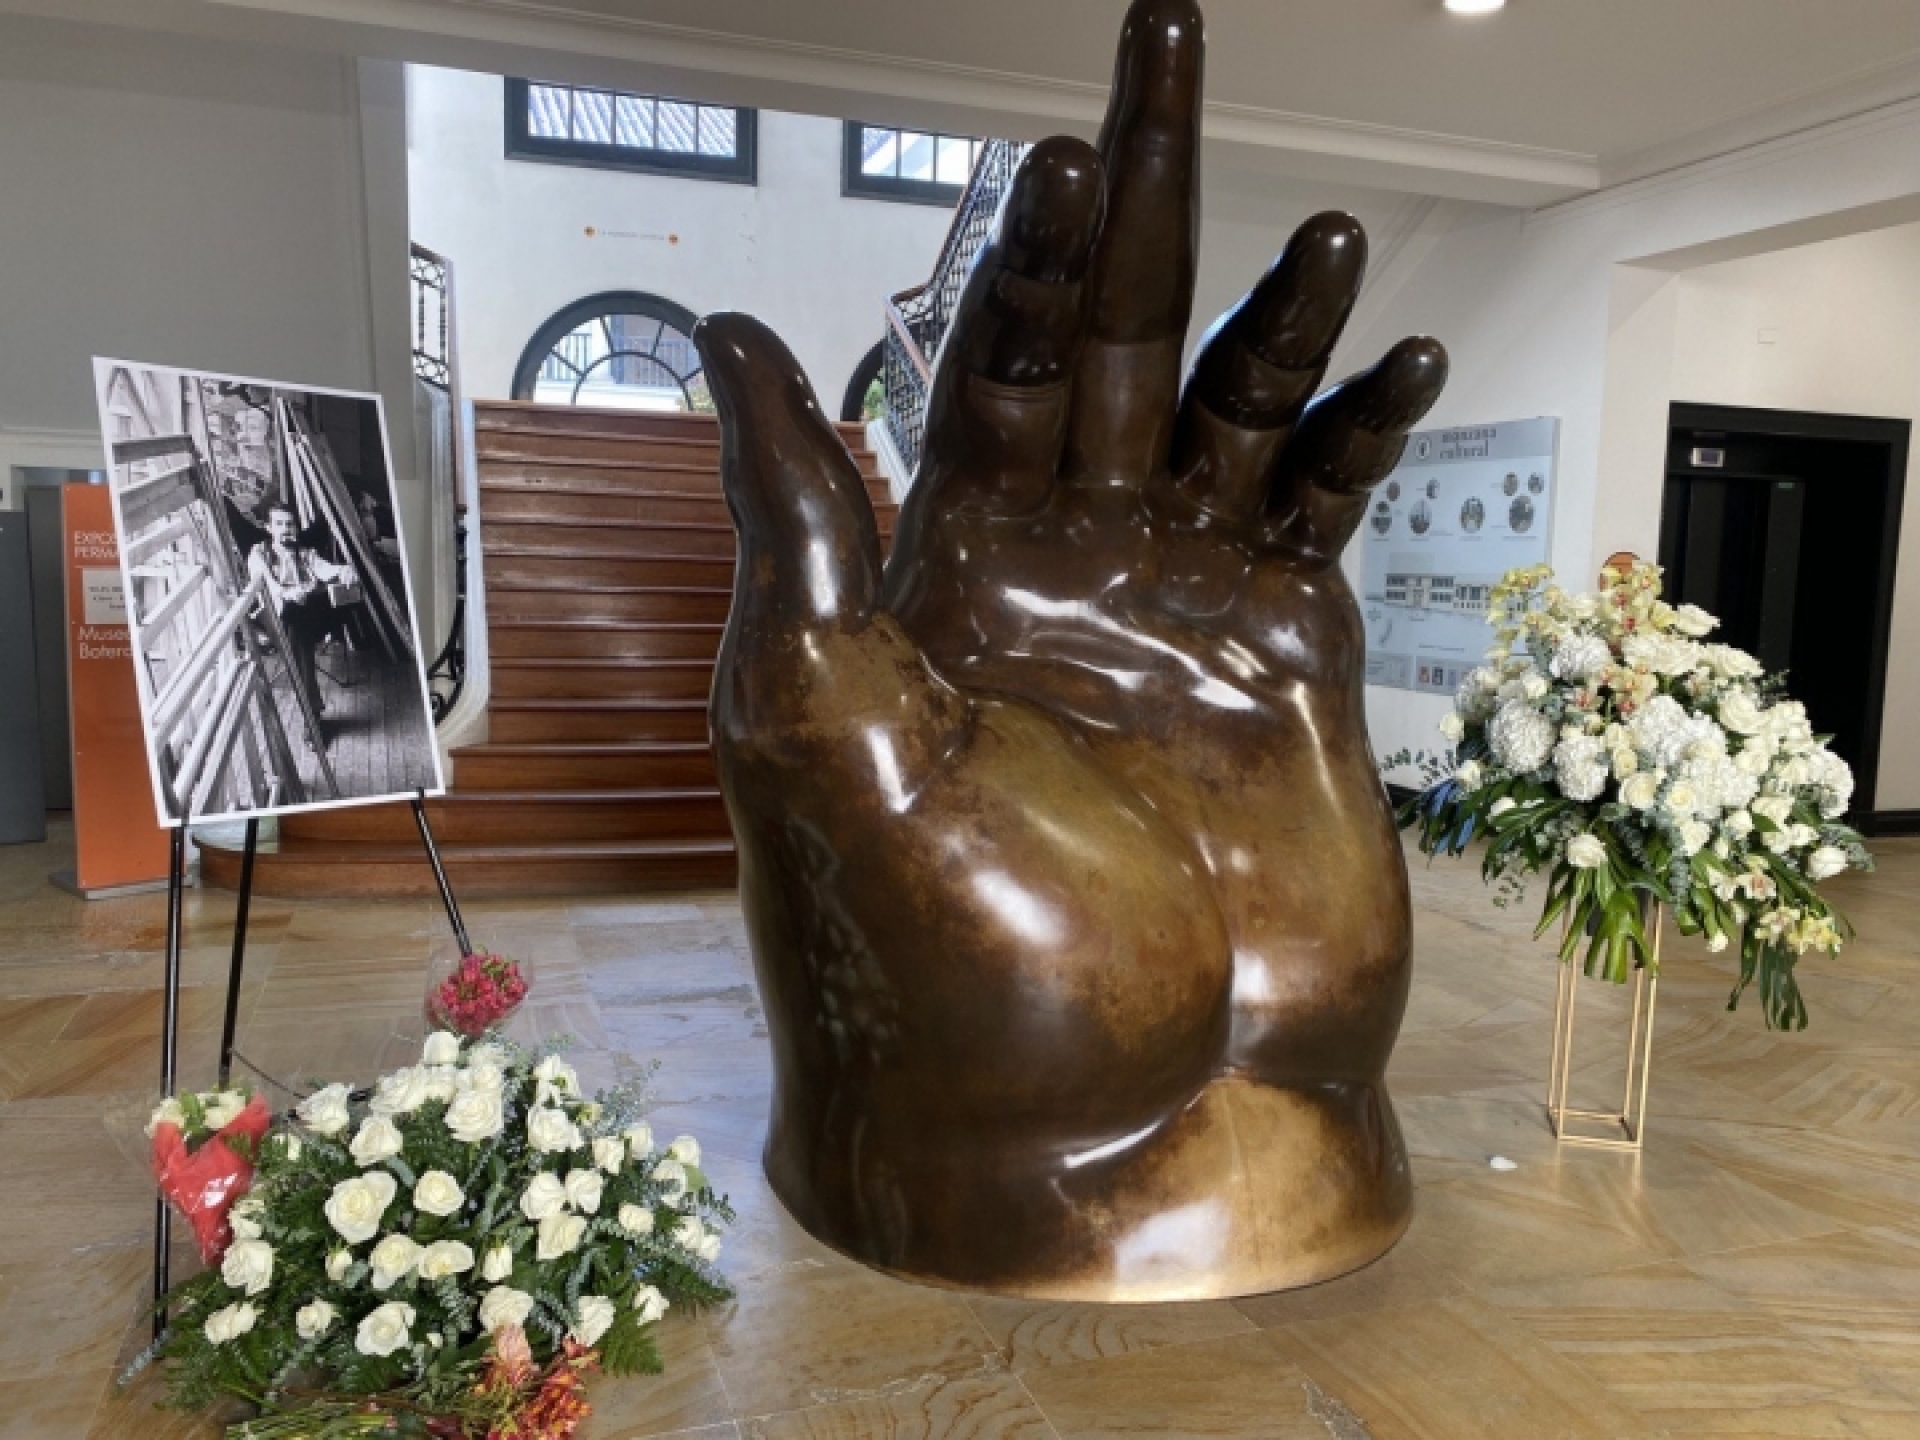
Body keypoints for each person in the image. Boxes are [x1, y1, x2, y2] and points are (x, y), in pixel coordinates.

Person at [247, 503, 356, 730]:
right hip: (273, 618)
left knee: (301, 626)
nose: (286, 529)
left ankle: (311, 715)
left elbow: (324, 568)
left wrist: (343, 569)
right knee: (295, 623)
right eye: (279, 524)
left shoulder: (304, 552)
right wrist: (287, 594)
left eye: (290, 524)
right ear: (268, 527)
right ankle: (312, 714)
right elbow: (267, 582)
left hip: (303, 618)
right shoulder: (259, 553)